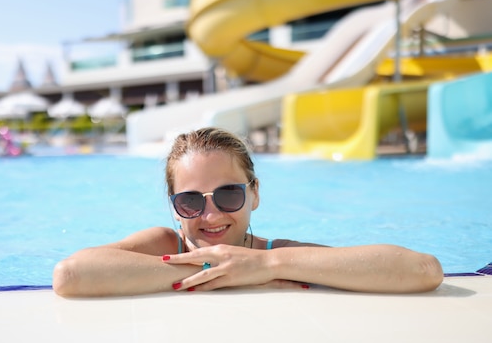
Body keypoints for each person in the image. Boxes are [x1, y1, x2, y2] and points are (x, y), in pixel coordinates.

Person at [53, 127, 443, 297]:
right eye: (190, 201)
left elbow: (423, 270)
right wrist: (216, 270)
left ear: (254, 194)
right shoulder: (165, 243)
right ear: (174, 209)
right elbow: (70, 275)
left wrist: (265, 264)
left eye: (228, 194)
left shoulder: (277, 252)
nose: (210, 216)